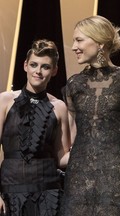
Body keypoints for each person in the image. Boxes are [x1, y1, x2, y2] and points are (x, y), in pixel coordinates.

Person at [59, 15, 120, 216]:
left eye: (79, 40)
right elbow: (72, 132)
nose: (73, 46)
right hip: (78, 177)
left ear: (99, 43)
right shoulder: (74, 84)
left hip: (116, 175)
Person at [0, 39, 71, 216]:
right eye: (34, 65)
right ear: (25, 66)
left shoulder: (59, 106)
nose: (38, 71)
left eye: (45, 67)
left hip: (48, 192)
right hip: (11, 191)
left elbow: (61, 156)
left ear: (54, 70)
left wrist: (92, 149)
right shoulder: (5, 101)